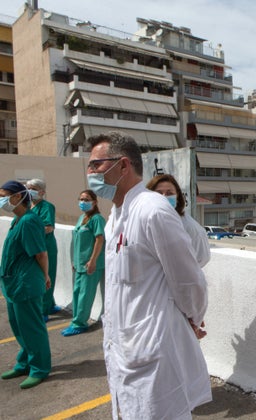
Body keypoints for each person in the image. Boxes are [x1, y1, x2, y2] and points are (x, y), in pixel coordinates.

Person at [85, 131, 212, 419]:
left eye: (96, 165)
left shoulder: (153, 211)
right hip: (125, 348)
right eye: (90, 166)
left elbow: (189, 279)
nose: (90, 172)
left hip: (152, 350)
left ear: (123, 165)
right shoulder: (114, 217)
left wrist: (193, 318)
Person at [0, 180, 52, 389]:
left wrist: (45, 276)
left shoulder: (29, 221)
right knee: (19, 326)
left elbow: (41, 253)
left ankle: (40, 368)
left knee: (32, 328)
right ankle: (24, 363)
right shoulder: (18, 219)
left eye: (3, 195)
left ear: (16, 197)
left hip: (26, 284)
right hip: (14, 283)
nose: (1, 200)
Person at [61, 189, 106, 337]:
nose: (83, 202)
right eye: (81, 199)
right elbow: (77, 241)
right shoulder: (82, 218)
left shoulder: (97, 219)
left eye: (86, 200)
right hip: (79, 264)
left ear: (94, 202)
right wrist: (74, 261)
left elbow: (99, 239)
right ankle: (76, 320)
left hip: (91, 264)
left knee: (85, 295)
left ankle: (80, 323)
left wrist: (92, 260)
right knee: (77, 292)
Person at [146, 174, 210, 268]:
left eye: (169, 193)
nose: (164, 197)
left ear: (177, 196)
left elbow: (201, 258)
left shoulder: (191, 228)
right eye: (158, 193)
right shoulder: (143, 221)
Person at [26, 178, 60, 320]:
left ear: (42, 191)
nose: (29, 191)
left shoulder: (47, 207)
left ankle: (44, 311)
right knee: (39, 277)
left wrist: (32, 232)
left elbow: (48, 227)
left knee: (46, 277)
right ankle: (50, 305)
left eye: (33, 188)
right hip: (35, 247)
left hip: (46, 247)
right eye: (28, 188)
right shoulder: (29, 207)